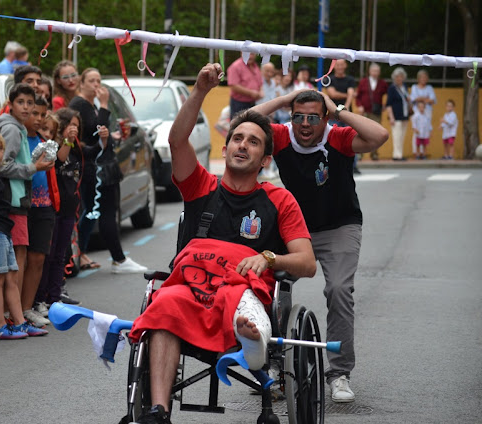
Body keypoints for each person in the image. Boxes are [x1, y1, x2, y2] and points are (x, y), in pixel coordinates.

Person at [129, 63, 317, 424]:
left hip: (241, 292)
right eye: (237, 138)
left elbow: (307, 263)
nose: (242, 145)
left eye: (253, 141)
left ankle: (253, 340)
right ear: (226, 145)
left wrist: (269, 258)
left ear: (265, 160)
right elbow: (176, 141)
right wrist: (199, 90)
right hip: (193, 286)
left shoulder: (280, 201)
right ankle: (158, 412)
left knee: (242, 308)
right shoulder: (202, 185)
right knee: (165, 300)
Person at [253, 88, 389, 403]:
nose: (304, 124)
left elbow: (379, 135)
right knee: (265, 285)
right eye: (298, 116)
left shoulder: (337, 137)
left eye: (313, 117)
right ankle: (274, 365)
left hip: (339, 225)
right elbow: (242, 123)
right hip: (295, 228)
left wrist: (338, 110)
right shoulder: (282, 136)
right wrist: (281, 102)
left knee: (339, 290)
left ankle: (339, 374)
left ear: (324, 118)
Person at [0, 130, 48, 339]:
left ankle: (20, 322)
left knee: (12, 277)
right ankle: (0, 326)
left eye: (0, 149)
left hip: (3, 232)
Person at [0, 83, 55, 328]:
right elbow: (2, 165)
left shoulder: (16, 128)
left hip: (17, 203)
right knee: (15, 261)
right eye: (21, 103)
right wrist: (33, 168)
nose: (26, 108)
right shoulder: (13, 130)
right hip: (13, 203)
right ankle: (11, 319)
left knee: (17, 260)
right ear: (11, 104)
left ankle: (14, 316)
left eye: (30, 103)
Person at [69, 68, 147, 274]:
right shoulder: (80, 104)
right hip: (96, 167)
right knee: (104, 212)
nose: (97, 85)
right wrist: (104, 105)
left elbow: (97, 132)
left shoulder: (88, 104)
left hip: (99, 164)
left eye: (99, 80)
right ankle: (118, 260)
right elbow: (95, 132)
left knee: (93, 213)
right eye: (92, 81)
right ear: (82, 84)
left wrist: (113, 137)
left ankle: (79, 253)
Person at [36, 108, 83, 313]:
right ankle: (40, 298)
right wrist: (67, 141)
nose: (74, 129)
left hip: (68, 208)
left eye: (77, 126)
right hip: (53, 207)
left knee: (60, 255)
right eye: (70, 125)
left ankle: (54, 298)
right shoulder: (54, 148)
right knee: (48, 254)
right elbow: (61, 160)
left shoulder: (74, 147)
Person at [21, 95, 56, 327]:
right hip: (23, 206)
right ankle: (14, 308)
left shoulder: (44, 140)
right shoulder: (19, 139)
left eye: (43, 115)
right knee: (20, 260)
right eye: (35, 114)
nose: (39, 119)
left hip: (45, 205)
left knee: (38, 258)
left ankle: (27, 307)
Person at [355, 63, 388, 160]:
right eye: (373, 71)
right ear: (370, 71)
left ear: (379, 73)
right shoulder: (363, 82)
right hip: (365, 111)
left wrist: (385, 105)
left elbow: (388, 95)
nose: (375, 73)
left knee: (376, 133)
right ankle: (360, 155)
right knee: (361, 132)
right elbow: (358, 96)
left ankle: (374, 154)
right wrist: (359, 106)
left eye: (377, 71)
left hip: (376, 112)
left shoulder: (383, 83)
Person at [386, 67, 412, 161]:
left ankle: (400, 153)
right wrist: (391, 117)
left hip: (404, 115)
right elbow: (388, 104)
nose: (399, 78)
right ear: (394, 78)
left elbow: (407, 99)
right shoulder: (392, 88)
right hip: (396, 116)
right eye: (397, 77)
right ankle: (396, 155)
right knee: (396, 135)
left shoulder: (404, 87)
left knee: (402, 136)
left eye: (401, 76)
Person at [227, 52, 263, 117]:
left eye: (252, 54)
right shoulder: (235, 66)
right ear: (241, 53)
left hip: (253, 103)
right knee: (238, 125)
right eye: (248, 53)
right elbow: (233, 86)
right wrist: (251, 93)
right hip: (239, 104)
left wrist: (261, 91)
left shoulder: (255, 66)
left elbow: (260, 82)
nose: (250, 56)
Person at [410, 70, 436, 158]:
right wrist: (425, 99)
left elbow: (432, 100)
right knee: (416, 131)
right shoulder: (414, 87)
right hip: (416, 112)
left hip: (427, 112)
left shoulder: (429, 88)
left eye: (425, 77)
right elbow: (413, 99)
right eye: (422, 77)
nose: (423, 79)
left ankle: (423, 153)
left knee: (425, 131)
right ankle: (416, 152)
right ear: (418, 78)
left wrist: (420, 99)